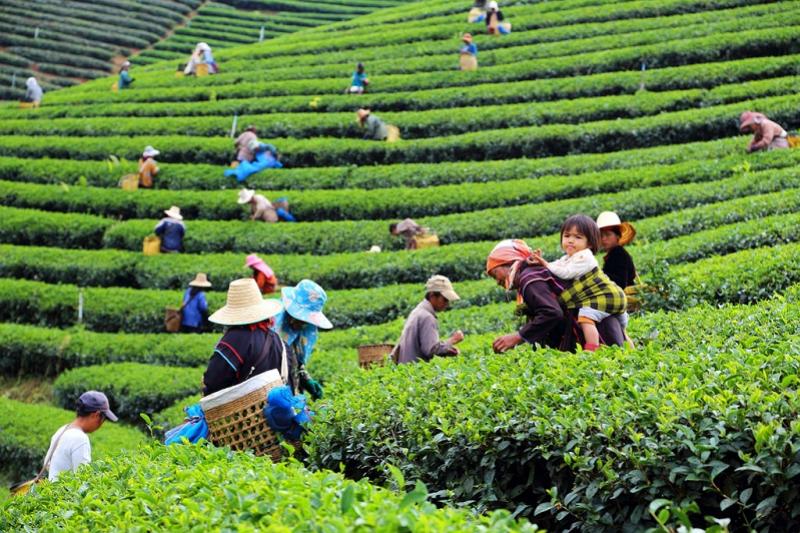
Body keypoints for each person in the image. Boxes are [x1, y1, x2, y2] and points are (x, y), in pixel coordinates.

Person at [486, 239, 625, 354]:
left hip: (597, 334)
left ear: (508, 261)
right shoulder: (532, 274)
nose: (497, 281)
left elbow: (551, 313)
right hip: (604, 326)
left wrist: (518, 337)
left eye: (495, 274)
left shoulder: (529, 279)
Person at [527, 214, 627, 352]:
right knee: (623, 334)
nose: (571, 241)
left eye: (578, 237)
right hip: (611, 295)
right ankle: (633, 352)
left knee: (585, 318)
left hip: (606, 297)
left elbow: (566, 272)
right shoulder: (569, 257)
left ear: (590, 243)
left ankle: (591, 349)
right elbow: (558, 265)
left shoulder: (585, 256)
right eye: (567, 236)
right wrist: (541, 261)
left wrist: (544, 264)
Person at [202, 278, 289, 396]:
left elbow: (213, 380)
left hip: (241, 411)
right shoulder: (276, 338)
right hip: (272, 410)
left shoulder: (233, 340)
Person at [272, 280, 332, 400]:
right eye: (298, 318)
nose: (300, 323)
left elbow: (296, 362)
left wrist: (305, 379)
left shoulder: (303, 329)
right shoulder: (272, 326)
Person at [44, 391, 118, 482]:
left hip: (53, 492)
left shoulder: (63, 429)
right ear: (96, 415)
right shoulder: (80, 438)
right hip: (66, 495)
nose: (101, 424)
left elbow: (47, 464)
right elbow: (83, 479)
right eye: (103, 419)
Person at [392, 275, 465, 364]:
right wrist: (453, 340)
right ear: (432, 295)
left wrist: (447, 350)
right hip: (413, 372)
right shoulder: (427, 317)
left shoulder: (418, 311)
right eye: (445, 299)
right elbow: (431, 349)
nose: (447, 304)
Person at [596, 211, 637, 290]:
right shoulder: (613, 253)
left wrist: (598, 274)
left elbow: (621, 282)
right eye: (601, 236)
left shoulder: (619, 254)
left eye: (608, 234)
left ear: (617, 236)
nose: (604, 239)